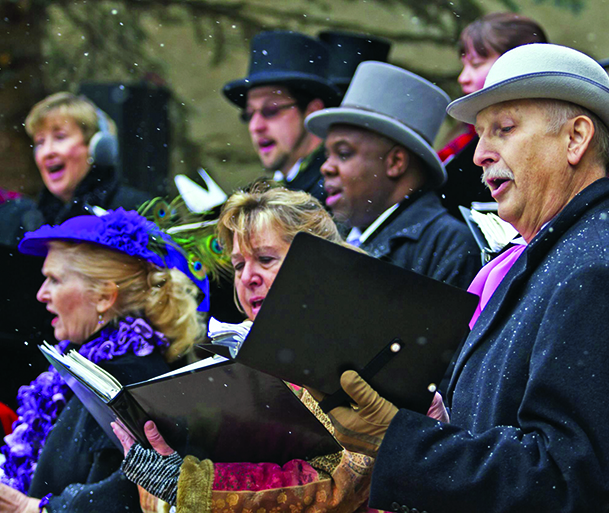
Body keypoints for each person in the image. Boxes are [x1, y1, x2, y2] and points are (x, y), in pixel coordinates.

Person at [315, 44, 609, 512]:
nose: (479, 154)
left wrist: (399, 439)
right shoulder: (566, 253)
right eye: (480, 134)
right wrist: (440, 423)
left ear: (576, 138)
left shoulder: (597, 270)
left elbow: (561, 480)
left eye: (505, 129)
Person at [112, 185, 448, 513]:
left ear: (320, 265)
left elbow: (339, 486)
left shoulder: (367, 353)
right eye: (239, 265)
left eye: (265, 259)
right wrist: (163, 471)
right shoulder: (231, 356)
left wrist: (189, 484)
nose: (247, 277)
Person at [0, 208, 206, 512]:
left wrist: (27, 508)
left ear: (103, 297)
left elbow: (125, 500)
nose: (41, 294)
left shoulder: (123, 383)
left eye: (54, 280)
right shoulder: (88, 369)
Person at [306, 61, 481, 289]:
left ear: (396, 162)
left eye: (344, 153)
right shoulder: (327, 238)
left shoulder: (449, 246)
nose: (326, 167)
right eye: (327, 155)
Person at [0, 93, 150, 246]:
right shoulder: (27, 223)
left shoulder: (137, 212)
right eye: (40, 142)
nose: (47, 152)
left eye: (60, 137)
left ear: (97, 146)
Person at [439, 12, 549, 215]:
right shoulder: (463, 138)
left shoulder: (543, 140)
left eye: (476, 64)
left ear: (517, 65)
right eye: (464, 65)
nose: (463, 78)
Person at [222, 31, 341, 203]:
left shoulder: (332, 190)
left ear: (312, 110)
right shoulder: (279, 188)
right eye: (249, 114)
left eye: (271, 110)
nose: (255, 126)